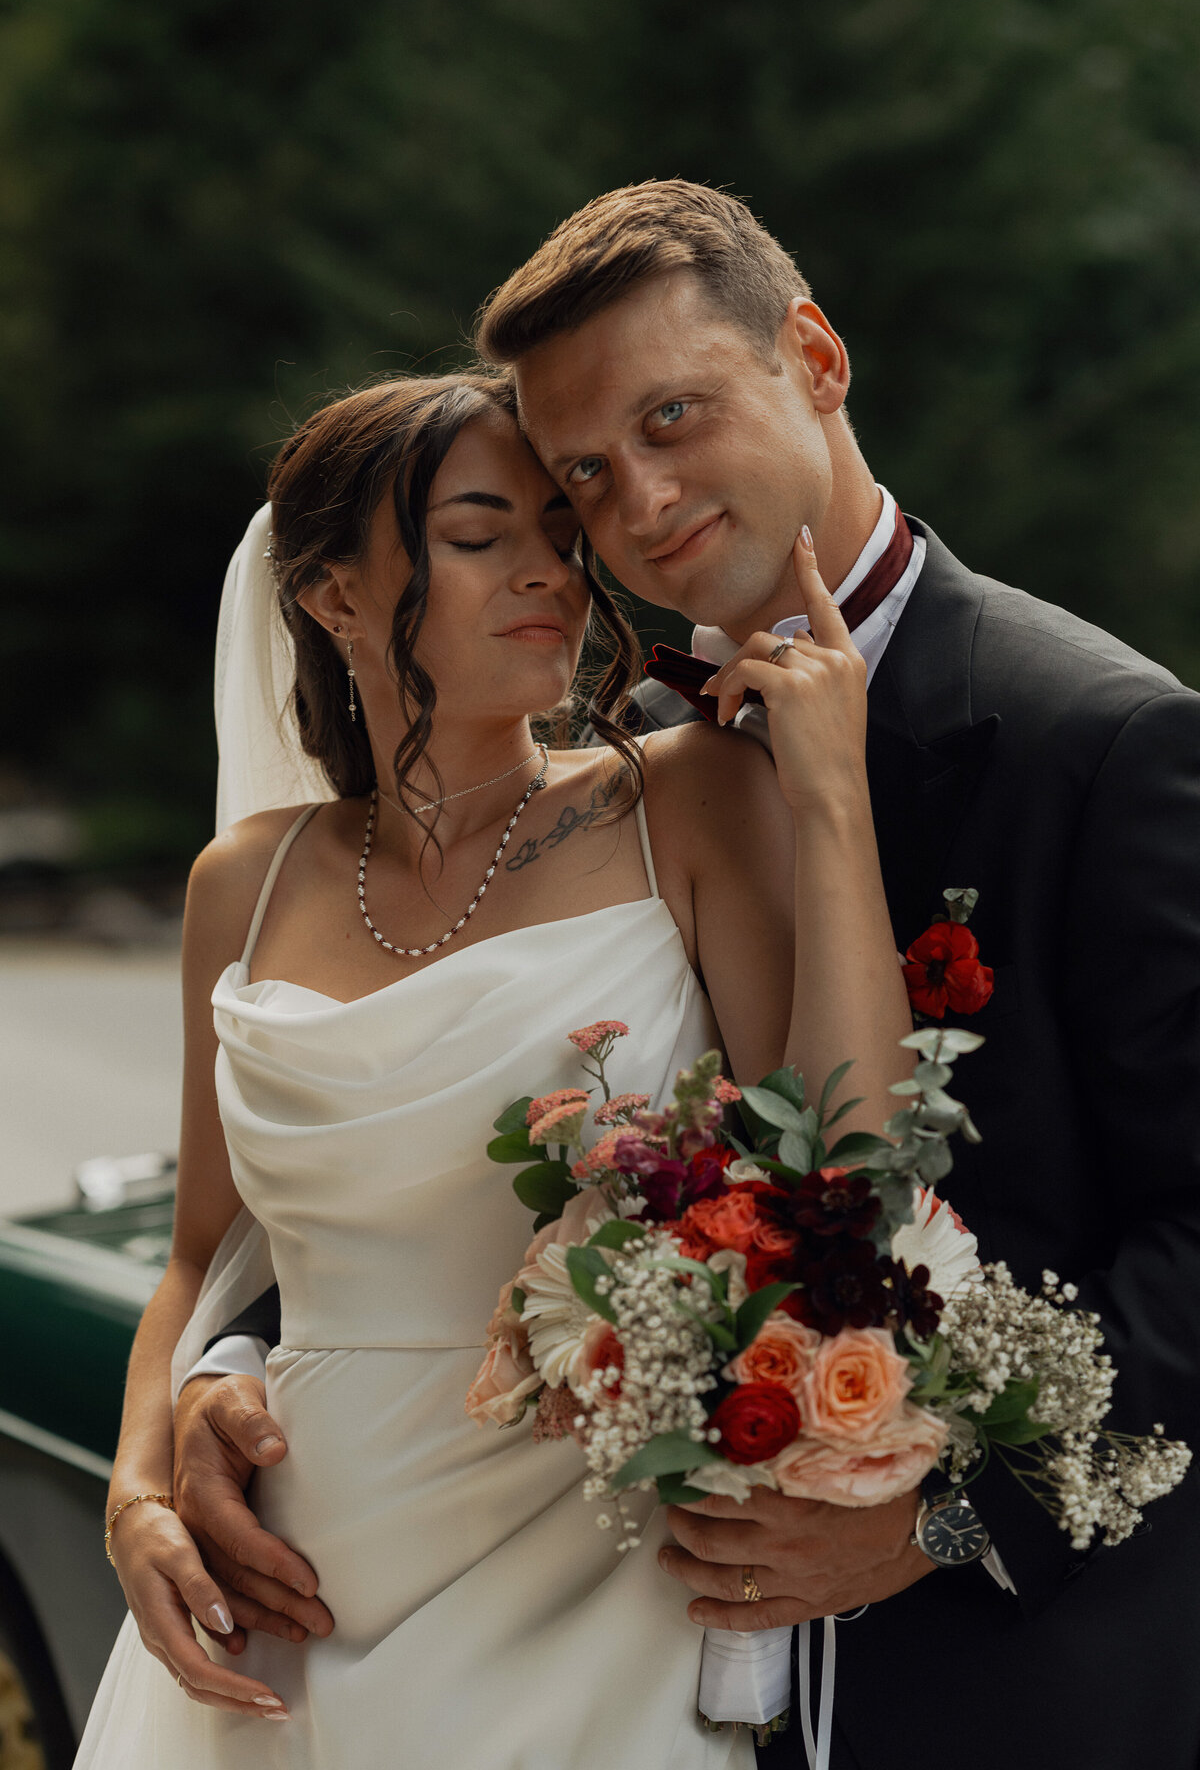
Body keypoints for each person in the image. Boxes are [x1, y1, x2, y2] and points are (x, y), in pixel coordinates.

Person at [175, 182, 1200, 1770]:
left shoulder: (1106, 741)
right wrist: (232, 1374)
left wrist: (945, 1512)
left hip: (999, 1684)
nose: (637, 505)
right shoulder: (632, 769)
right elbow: (423, 1141)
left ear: (816, 356)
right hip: (595, 1645)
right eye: (584, 470)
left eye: (677, 418)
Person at [78, 367, 913, 1768]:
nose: (549, 574)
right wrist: (140, 1487)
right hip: (302, 1581)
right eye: (479, 538)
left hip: (594, 1565)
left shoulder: (689, 799)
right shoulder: (244, 881)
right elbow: (201, 1251)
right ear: (336, 597)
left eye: (556, 532)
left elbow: (843, 1156)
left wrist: (830, 799)